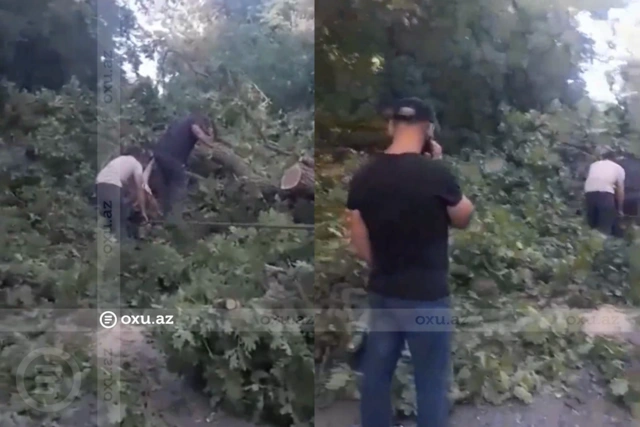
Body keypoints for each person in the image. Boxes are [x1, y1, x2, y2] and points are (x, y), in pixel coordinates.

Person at [345, 97, 475, 427]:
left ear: (391, 127)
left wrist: (385, 265)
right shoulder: (436, 174)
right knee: (430, 383)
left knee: (376, 376)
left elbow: (358, 240)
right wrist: (438, 165)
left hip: (384, 291)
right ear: (428, 130)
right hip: (428, 298)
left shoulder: (364, 176)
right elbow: (463, 217)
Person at [146, 112, 218, 221]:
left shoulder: (180, 122)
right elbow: (201, 137)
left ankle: (164, 219)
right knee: (180, 185)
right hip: (173, 159)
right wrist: (210, 138)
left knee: (166, 188)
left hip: (159, 154)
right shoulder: (193, 122)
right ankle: (175, 221)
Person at [96, 147, 152, 241]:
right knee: (120, 218)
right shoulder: (136, 164)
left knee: (109, 213)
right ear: (139, 157)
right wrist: (143, 212)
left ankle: (106, 236)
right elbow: (140, 188)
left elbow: (129, 189)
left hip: (99, 184)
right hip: (112, 185)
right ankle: (123, 242)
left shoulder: (120, 160)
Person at [584, 149, 625, 235]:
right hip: (605, 194)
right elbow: (620, 191)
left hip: (589, 194)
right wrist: (620, 209)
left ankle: (589, 245)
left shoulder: (593, 165)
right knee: (605, 225)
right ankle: (603, 244)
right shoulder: (618, 168)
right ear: (614, 158)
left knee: (591, 225)